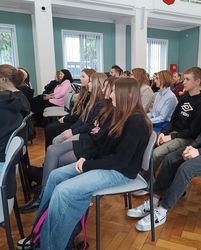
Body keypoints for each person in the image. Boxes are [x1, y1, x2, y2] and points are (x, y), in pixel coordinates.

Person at [18, 77, 152, 249]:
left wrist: (87, 165)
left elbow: (121, 161)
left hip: (121, 173)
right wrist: (86, 157)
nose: (110, 95)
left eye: (113, 92)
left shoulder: (136, 122)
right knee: (55, 176)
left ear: (126, 95)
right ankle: (39, 233)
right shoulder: (118, 114)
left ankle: (49, 245)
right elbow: (100, 142)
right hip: (106, 164)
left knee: (63, 191)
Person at [127, 64, 201, 231]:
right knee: (171, 159)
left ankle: (162, 211)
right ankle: (154, 200)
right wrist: (193, 146)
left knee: (186, 168)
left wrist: (198, 151)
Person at [19, 76, 116, 213]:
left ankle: (44, 196)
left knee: (57, 159)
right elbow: (88, 124)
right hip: (88, 140)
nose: (104, 89)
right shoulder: (104, 104)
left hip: (91, 145)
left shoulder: (110, 108)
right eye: (104, 86)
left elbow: (99, 135)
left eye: (107, 87)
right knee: (52, 149)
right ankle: (44, 194)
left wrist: (92, 129)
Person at [133, 67, 201, 196]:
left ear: (197, 81)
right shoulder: (185, 98)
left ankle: (146, 184)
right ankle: (145, 177)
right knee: (147, 143)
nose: (183, 82)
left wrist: (172, 136)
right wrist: (164, 132)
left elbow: (194, 130)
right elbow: (172, 120)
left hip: (186, 138)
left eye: (187, 79)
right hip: (174, 134)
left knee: (156, 154)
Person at [43, 69, 95, 149]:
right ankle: (49, 156)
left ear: (91, 80)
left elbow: (81, 116)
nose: (80, 78)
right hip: (77, 120)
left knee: (50, 129)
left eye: (83, 76)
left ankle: (51, 154)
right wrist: (67, 117)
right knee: (50, 128)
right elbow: (77, 112)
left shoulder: (91, 96)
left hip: (78, 123)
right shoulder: (84, 92)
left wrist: (66, 119)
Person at [52, 72, 107, 144]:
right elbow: (82, 118)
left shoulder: (101, 103)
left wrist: (72, 132)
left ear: (97, 84)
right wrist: (71, 129)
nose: (89, 83)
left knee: (56, 140)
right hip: (82, 129)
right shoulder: (93, 100)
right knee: (57, 138)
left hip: (88, 134)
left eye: (90, 81)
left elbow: (90, 125)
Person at [0, 64, 29, 172]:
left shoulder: (5, 103)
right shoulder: (14, 99)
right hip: (11, 149)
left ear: (3, 79)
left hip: (4, 153)